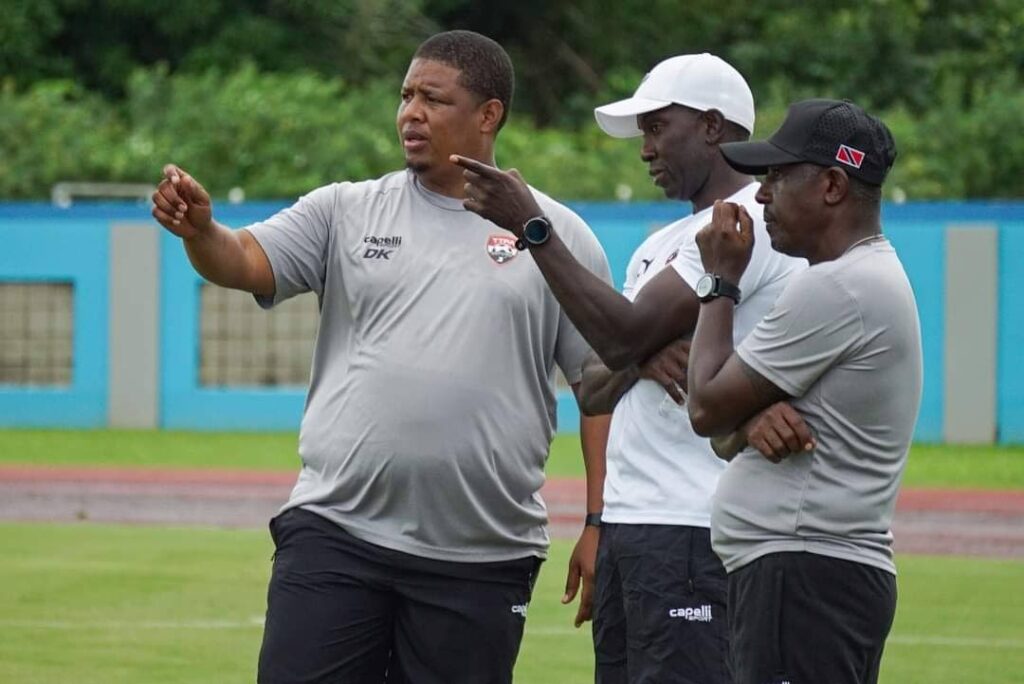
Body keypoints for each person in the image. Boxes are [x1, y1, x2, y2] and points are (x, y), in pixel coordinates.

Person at [151, 30, 612, 684]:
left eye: (433, 98)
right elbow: (245, 261)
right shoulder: (346, 210)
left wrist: (599, 522)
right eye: (405, 95)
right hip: (336, 532)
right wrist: (201, 231)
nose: (410, 113)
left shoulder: (556, 236)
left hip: (481, 554)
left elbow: (600, 387)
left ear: (489, 114)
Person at [453, 53, 804, 683]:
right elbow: (591, 386)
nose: (644, 148)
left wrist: (533, 228)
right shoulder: (658, 245)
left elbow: (616, 340)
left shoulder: (746, 223)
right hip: (634, 527)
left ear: (714, 126)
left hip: (697, 526)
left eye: (656, 126)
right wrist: (642, 354)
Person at [685, 99, 922, 683]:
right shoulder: (848, 279)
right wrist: (744, 423)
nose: (761, 195)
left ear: (834, 185)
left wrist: (719, 280)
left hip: (805, 576)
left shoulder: (838, 288)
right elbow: (724, 431)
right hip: (808, 574)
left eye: (777, 176)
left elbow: (704, 406)